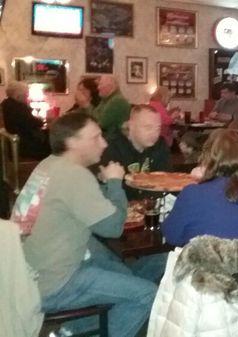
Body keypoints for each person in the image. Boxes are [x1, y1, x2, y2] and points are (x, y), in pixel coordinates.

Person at [13, 112, 156, 337]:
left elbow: (74, 205)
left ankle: (69, 331)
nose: (104, 143)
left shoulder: (48, 165)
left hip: (26, 275)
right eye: (96, 137)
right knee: (147, 293)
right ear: (72, 142)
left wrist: (103, 186)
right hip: (54, 283)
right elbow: (113, 228)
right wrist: (115, 182)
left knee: (123, 272)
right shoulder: (74, 176)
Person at [162, 129, 238, 246]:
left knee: (144, 263)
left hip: (201, 263)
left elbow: (171, 236)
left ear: (208, 158)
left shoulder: (193, 193)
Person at [101, 104, 171, 200]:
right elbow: (111, 189)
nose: (155, 133)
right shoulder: (113, 149)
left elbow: (165, 179)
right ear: (131, 126)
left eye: (158, 128)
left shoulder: (160, 145)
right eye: (148, 127)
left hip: (151, 206)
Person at [1, 81, 50, 159]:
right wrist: (42, 120)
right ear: (18, 95)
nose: (27, 96)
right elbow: (33, 123)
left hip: (11, 142)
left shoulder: (5, 103)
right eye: (26, 94)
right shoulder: (18, 107)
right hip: (23, 143)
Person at [93, 75, 131, 139]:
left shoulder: (117, 101)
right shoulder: (106, 99)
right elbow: (93, 115)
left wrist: (87, 106)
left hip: (114, 140)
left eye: (100, 84)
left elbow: (101, 123)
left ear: (110, 86)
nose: (98, 88)